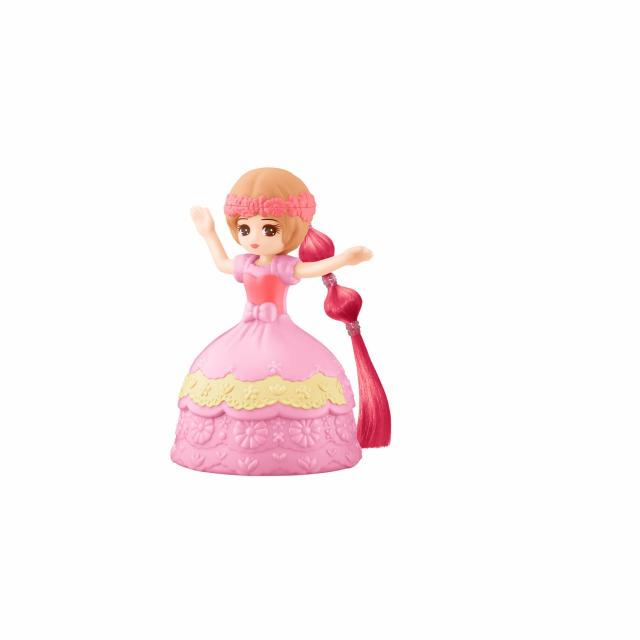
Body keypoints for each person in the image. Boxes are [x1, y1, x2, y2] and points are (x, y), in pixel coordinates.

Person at [171, 167, 390, 475]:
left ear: (293, 229)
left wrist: (344, 259)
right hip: (246, 330)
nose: (254, 238)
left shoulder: (283, 266)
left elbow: (312, 269)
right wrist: (208, 232)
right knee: (226, 377)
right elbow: (221, 262)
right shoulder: (246, 262)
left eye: (268, 230)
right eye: (244, 229)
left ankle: (304, 449)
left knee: (295, 380)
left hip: (280, 330)